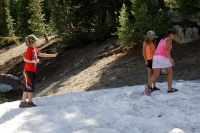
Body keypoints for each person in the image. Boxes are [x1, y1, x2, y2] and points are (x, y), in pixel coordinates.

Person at [19, 34, 57, 108]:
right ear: (31, 42)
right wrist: (34, 61)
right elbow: (25, 59)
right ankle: (23, 102)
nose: (36, 42)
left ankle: (30, 102)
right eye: (35, 41)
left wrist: (52, 55)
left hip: (32, 71)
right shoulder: (29, 49)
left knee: (30, 86)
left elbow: (41, 54)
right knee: (27, 86)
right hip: (28, 71)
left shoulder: (34, 49)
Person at [145, 28, 178, 96]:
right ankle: (169, 89)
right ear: (171, 34)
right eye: (174, 34)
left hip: (156, 57)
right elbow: (166, 49)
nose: (174, 36)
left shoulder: (163, 39)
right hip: (163, 57)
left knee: (155, 74)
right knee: (169, 73)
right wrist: (170, 59)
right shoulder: (169, 39)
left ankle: (148, 86)